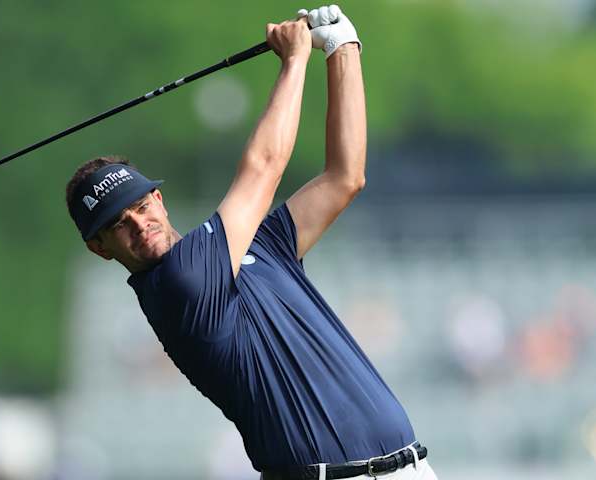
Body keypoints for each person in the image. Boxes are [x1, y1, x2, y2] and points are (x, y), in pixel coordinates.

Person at [65, 5, 437, 480]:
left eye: (141, 207)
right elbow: (264, 167)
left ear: (159, 199)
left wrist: (344, 48)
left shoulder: (257, 245)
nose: (140, 225)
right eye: (119, 225)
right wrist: (294, 60)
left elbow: (345, 178)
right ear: (100, 248)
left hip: (411, 466)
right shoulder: (180, 283)